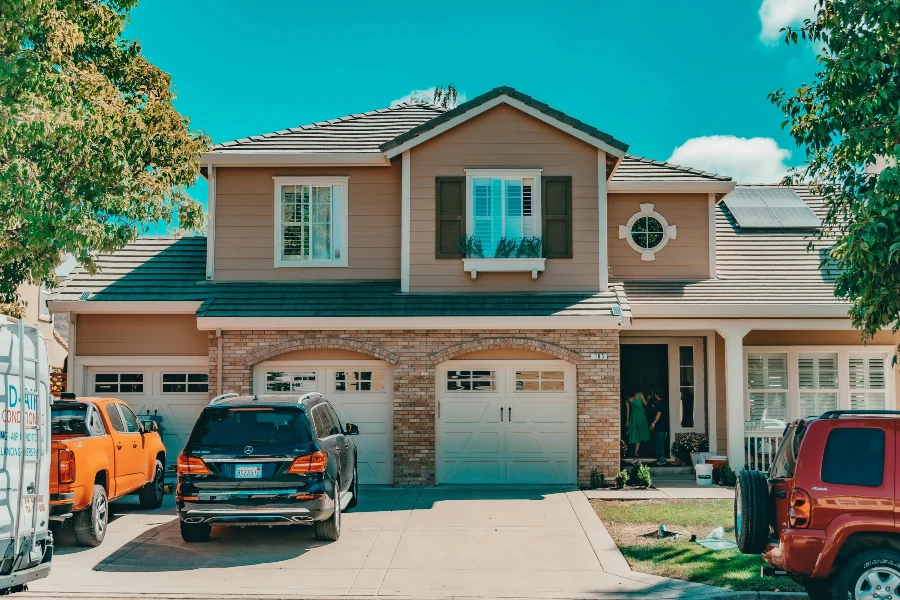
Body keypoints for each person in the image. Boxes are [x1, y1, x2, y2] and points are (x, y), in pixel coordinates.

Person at [625, 391, 651, 459]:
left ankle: (636, 452)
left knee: (636, 434)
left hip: (633, 418)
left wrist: (627, 420)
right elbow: (646, 404)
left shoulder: (627, 400)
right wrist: (648, 398)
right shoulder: (640, 394)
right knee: (642, 432)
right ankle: (644, 450)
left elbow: (628, 411)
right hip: (641, 416)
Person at [649, 390, 669, 465]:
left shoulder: (660, 403)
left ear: (657, 395)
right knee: (660, 441)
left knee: (660, 442)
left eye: (655, 394)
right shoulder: (664, 402)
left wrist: (653, 423)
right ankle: (660, 458)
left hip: (660, 426)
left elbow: (658, 414)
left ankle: (662, 459)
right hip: (664, 425)